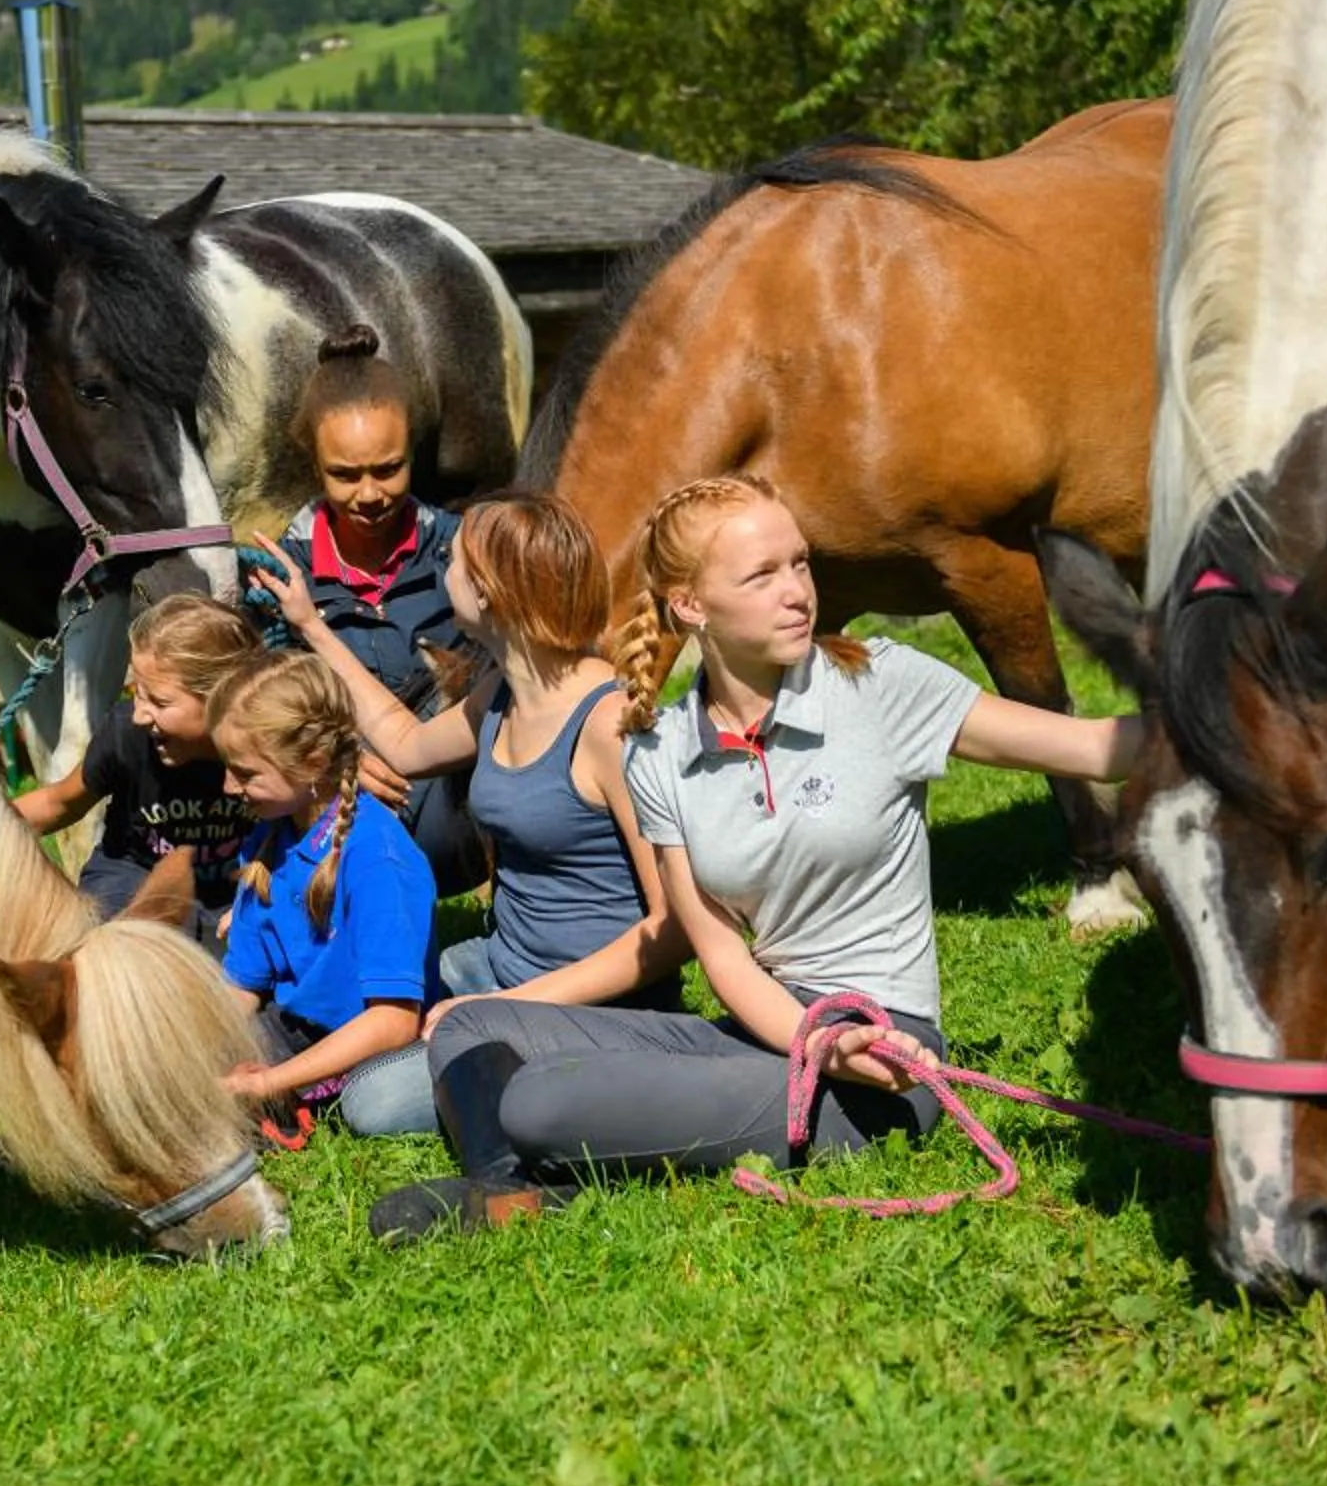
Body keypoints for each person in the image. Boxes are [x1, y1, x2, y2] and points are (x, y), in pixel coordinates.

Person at [367, 473, 1142, 1242]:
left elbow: (1095, 748)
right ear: (691, 605)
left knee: (535, 1101)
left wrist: (1227, 718)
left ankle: (517, 1169)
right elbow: (721, 957)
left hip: (880, 1064)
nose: (798, 590)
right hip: (764, 1032)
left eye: (800, 563)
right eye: (763, 574)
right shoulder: (663, 749)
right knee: (473, 1027)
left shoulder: (878, 683)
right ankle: (508, 1190)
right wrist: (809, 1035)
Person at [247, 491, 685, 1136]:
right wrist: (311, 626)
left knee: (374, 1104)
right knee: (353, 999)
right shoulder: (506, 693)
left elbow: (672, 929)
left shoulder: (607, 723)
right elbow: (403, 742)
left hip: (598, 1007)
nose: (441, 562)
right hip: (498, 964)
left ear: (489, 593)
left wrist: (500, 1008)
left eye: (454, 560)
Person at [273, 326, 487, 894]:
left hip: (454, 796)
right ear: (314, 466)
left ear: (413, 450)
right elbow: (261, 711)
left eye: (388, 468)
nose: (369, 494)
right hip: (332, 805)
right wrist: (330, 766)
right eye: (345, 475)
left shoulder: (462, 554)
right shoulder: (280, 578)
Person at [207, 651, 441, 1137]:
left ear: (312, 762)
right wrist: (200, 1049)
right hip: (292, 1027)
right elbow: (243, 985)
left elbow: (393, 1021)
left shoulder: (376, 857)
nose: (229, 787)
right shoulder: (271, 837)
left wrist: (270, 1082)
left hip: (370, 1048)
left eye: (246, 773)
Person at [14, 595, 259, 946]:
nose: (141, 714)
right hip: (132, 875)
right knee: (121, 954)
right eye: (137, 694)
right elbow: (61, 802)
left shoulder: (266, 747)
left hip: (234, 886)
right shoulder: (126, 734)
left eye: (159, 702)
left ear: (224, 697)